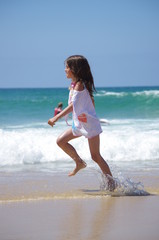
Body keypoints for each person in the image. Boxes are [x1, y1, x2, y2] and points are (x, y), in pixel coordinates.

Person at [48, 55, 115, 190]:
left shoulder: (79, 85)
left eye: (67, 67)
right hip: (80, 124)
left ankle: (112, 184)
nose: (65, 70)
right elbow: (89, 100)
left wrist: (56, 117)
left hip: (89, 125)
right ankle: (79, 162)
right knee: (61, 141)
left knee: (95, 156)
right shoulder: (75, 85)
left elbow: (73, 105)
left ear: (75, 69)